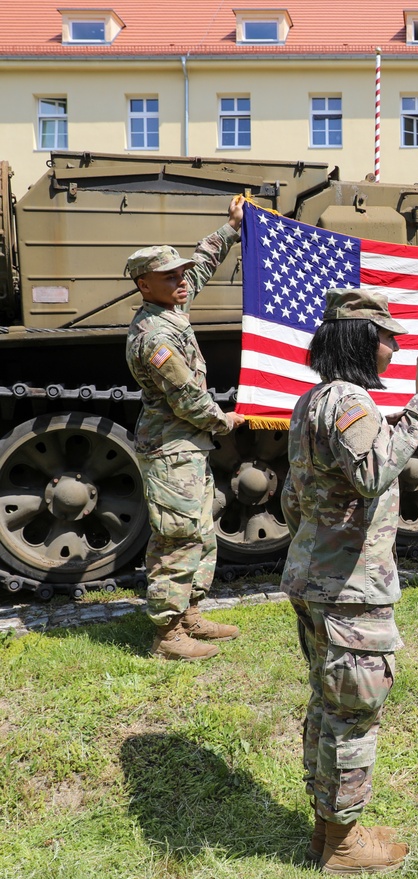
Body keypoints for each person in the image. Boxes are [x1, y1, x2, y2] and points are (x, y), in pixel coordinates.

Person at [281, 289, 418, 874]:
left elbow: (295, 496)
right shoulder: (351, 403)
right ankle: (343, 845)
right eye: (388, 338)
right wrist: (417, 410)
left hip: (315, 578)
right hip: (350, 589)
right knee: (353, 714)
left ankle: (328, 828)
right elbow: (371, 473)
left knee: (327, 703)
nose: (394, 348)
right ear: (365, 342)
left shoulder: (310, 401)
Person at [125, 196, 246, 662]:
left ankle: (189, 614)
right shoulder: (155, 337)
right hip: (172, 447)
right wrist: (224, 420)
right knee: (176, 536)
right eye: (170, 275)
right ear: (144, 284)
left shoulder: (169, 306)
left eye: (180, 273)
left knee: (199, 530)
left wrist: (230, 229)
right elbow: (187, 399)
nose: (181, 280)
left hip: (186, 447)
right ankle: (167, 634)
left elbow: (200, 268)